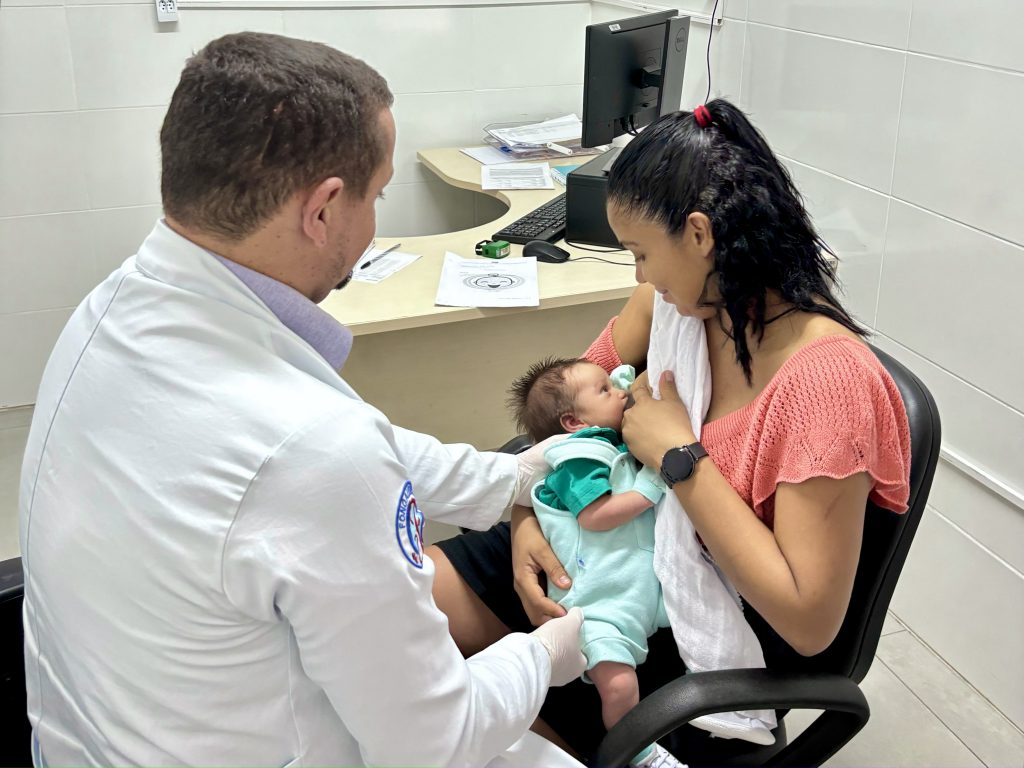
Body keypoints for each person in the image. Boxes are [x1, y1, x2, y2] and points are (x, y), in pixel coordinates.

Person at [18, 32, 590, 767]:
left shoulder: (109, 309)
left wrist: (514, 478)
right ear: (323, 210)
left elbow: (352, 454)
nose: (375, 220)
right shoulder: (312, 451)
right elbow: (433, 743)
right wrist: (557, 648)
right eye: (377, 195)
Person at [429, 99, 912, 763]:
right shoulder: (684, 301)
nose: (640, 276)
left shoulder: (825, 387)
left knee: (453, 721)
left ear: (699, 234)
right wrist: (527, 525)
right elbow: (560, 419)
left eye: (640, 253)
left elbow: (807, 621)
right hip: (596, 537)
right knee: (398, 603)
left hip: (679, 616)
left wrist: (679, 456)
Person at [507, 357, 674, 767]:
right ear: (572, 423)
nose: (619, 392)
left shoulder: (606, 442)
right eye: (604, 390)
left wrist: (619, 387)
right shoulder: (579, 457)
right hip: (596, 608)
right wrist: (655, 482)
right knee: (618, 686)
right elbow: (594, 517)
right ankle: (638, 754)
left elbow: (623, 377)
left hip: (642, 592)